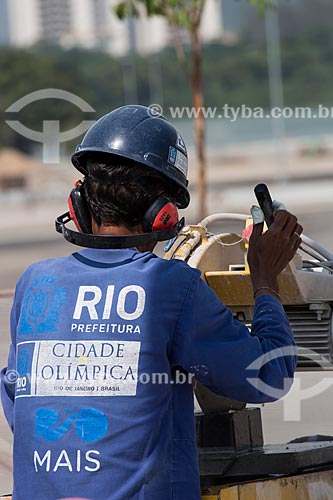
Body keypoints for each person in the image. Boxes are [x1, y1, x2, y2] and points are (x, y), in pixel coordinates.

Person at [1, 105, 303, 500]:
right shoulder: (169, 285)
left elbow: (18, 403)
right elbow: (270, 374)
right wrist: (264, 279)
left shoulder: (35, 283)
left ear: (79, 204)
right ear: (162, 216)